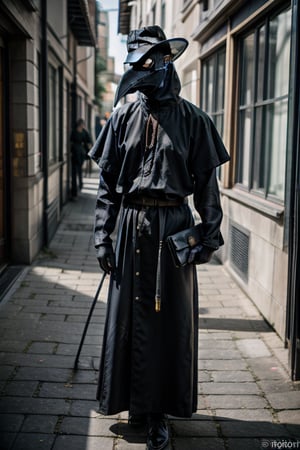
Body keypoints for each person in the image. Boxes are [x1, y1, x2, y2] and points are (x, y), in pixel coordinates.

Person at [89, 26, 230, 450]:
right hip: (131, 227)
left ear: (167, 63)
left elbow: (207, 183)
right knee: (128, 321)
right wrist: (102, 235)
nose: (146, 71)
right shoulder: (122, 117)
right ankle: (135, 402)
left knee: (169, 324)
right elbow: (107, 184)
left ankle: (159, 414)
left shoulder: (194, 120)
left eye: (152, 62)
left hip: (173, 229)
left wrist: (208, 235)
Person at [70, 118, 92, 197]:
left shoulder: (83, 132)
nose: (82, 126)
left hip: (80, 154)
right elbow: (70, 141)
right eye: (81, 124)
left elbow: (89, 141)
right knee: (75, 172)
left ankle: (79, 186)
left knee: (78, 171)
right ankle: (75, 190)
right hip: (75, 154)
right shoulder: (74, 132)